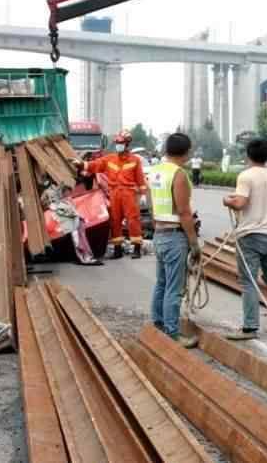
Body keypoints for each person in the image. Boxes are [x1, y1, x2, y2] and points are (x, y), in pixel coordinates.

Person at [223, 138, 267, 340]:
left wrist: (227, 201)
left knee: (248, 281)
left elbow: (240, 203)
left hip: (250, 235)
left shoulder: (246, 176)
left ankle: (250, 327)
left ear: (248, 155)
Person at [146, 133, 201, 348]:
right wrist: (194, 243)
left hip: (160, 233)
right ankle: (172, 333)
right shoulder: (178, 174)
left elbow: (151, 206)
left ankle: (158, 324)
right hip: (174, 236)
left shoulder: (156, 171)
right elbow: (184, 212)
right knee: (174, 288)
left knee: (161, 283)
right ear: (186, 153)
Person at [79, 130, 149, 259]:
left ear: (127, 144)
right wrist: (82, 164)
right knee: (115, 220)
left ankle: (137, 248)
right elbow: (96, 164)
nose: (118, 145)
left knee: (133, 220)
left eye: (121, 143)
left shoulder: (135, 160)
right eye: (117, 143)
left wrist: (143, 194)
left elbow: (140, 179)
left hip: (129, 193)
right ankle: (117, 249)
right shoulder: (110, 158)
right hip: (114, 192)